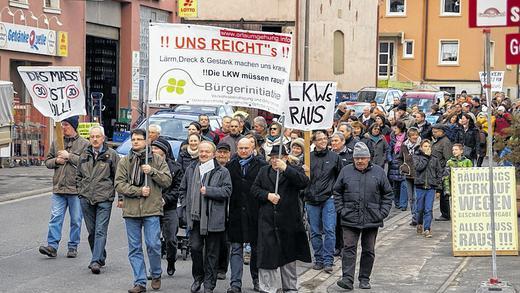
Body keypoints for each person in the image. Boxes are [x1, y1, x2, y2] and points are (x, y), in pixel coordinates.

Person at [115, 129, 172, 293]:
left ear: (147, 141)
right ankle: (139, 282)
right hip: (131, 211)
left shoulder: (157, 159)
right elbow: (119, 184)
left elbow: (167, 181)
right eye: (133, 139)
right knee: (134, 248)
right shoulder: (125, 161)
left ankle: (155, 273)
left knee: (153, 245)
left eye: (139, 139)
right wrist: (138, 191)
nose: (136, 142)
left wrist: (152, 171)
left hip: (151, 209)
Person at [251, 145, 311, 293]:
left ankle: (290, 287)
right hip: (267, 220)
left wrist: (286, 169)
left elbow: (303, 182)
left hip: (288, 220)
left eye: (277, 157)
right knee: (267, 256)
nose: (274, 160)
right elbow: (254, 189)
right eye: (272, 157)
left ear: (285, 157)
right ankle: (267, 288)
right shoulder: (264, 171)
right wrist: (267, 196)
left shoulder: (294, 170)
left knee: (288, 256)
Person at [333, 142, 393, 290]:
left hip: (372, 218)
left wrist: (382, 213)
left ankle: (364, 278)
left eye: (363, 158)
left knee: (368, 250)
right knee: (349, 248)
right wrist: (342, 209)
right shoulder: (346, 171)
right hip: (349, 217)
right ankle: (347, 279)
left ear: (369, 158)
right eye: (357, 158)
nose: (360, 161)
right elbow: (337, 191)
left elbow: (388, 194)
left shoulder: (378, 172)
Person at [180, 141, 232, 293]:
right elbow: (183, 189)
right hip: (195, 218)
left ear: (213, 154)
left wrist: (209, 190)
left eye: (207, 152)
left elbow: (227, 191)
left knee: (212, 253)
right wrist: (185, 206)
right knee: (195, 249)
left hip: (214, 219)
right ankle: (198, 277)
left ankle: (209, 284)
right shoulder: (191, 168)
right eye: (201, 151)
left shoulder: (222, 171)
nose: (203, 154)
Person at [40, 116, 89, 259]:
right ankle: (52, 246)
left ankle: (73, 246)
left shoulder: (84, 144)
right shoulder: (57, 142)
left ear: (73, 126)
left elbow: (86, 164)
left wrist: (69, 156)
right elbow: (47, 161)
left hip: (76, 189)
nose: (63, 127)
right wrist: (56, 160)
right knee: (55, 217)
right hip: (59, 188)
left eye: (66, 125)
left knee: (76, 220)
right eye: (62, 124)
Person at [226, 138, 268, 293]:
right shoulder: (231, 166)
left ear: (252, 148)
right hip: (236, 213)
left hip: (255, 212)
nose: (243, 151)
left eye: (246, 148)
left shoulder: (262, 165)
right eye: (241, 148)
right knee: (236, 249)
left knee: (256, 248)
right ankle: (235, 283)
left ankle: (256, 280)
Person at [76, 125, 119, 274]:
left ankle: (95, 261)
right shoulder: (84, 155)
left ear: (103, 138)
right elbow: (78, 176)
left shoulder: (112, 155)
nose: (94, 139)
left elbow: (117, 178)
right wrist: (80, 191)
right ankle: (100, 255)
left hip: (104, 198)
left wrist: (119, 197)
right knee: (92, 231)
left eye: (97, 136)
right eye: (92, 137)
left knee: (100, 231)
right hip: (86, 198)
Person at [303, 131, 343, 273]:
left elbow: (340, 177)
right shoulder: (308, 158)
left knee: (329, 229)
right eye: (320, 139)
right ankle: (318, 259)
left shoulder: (334, 157)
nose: (323, 141)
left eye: (325, 138)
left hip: (328, 198)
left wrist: (335, 194)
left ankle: (328, 260)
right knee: (314, 231)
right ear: (314, 142)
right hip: (311, 198)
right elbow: (301, 179)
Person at [151, 137, 184, 277]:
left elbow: (178, 188)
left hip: (169, 208)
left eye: (157, 148)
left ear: (164, 151)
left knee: (170, 239)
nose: (153, 151)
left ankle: (171, 261)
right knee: (152, 241)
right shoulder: (148, 165)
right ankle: (155, 269)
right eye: (152, 148)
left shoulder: (176, 168)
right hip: (151, 208)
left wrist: (166, 199)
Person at [413, 140, 443, 238]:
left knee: (428, 209)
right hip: (420, 186)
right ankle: (419, 223)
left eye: (429, 146)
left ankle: (427, 228)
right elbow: (418, 167)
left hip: (431, 187)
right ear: (421, 147)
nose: (428, 148)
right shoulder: (416, 157)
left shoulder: (434, 159)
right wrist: (425, 157)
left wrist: (438, 188)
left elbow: (439, 173)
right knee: (420, 209)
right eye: (425, 146)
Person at [215, 142, 232, 281]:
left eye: (224, 152)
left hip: (229, 210)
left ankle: (222, 268)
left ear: (229, 155)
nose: (222, 155)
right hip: (214, 210)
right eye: (220, 152)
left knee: (225, 242)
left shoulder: (232, 168)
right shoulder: (211, 168)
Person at [397, 127, 421, 226]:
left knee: (417, 197)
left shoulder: (421, 145)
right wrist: (402, 167)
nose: (415, 137)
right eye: (413, 136)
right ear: (409, 137)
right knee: (410, 198)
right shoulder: (404, 146)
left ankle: (417, 217)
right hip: (408, 175)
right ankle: (414, 217)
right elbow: (400, 158)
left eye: (416, 135)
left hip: (418, 174)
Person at [431, 124, 453, 222]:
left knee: (444, 194)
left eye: (436, 132)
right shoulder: (438, 141)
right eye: (433, 131)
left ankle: (445, 214)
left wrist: (445, 172)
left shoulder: (445, 142)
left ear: (441, 131)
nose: (434, 133)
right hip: (437, 170)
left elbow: (448, 158)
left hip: (443, 171)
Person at [388, 121, 407, 210]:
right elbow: (389, 150)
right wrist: (390, 160)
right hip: (394, 163)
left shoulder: (406, 138)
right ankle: (397, 202)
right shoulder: (392, 138)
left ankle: (403, 204)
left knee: (404, 185)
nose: (394, 130)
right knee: (395, 186)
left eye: (396, 128)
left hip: (403, 163)